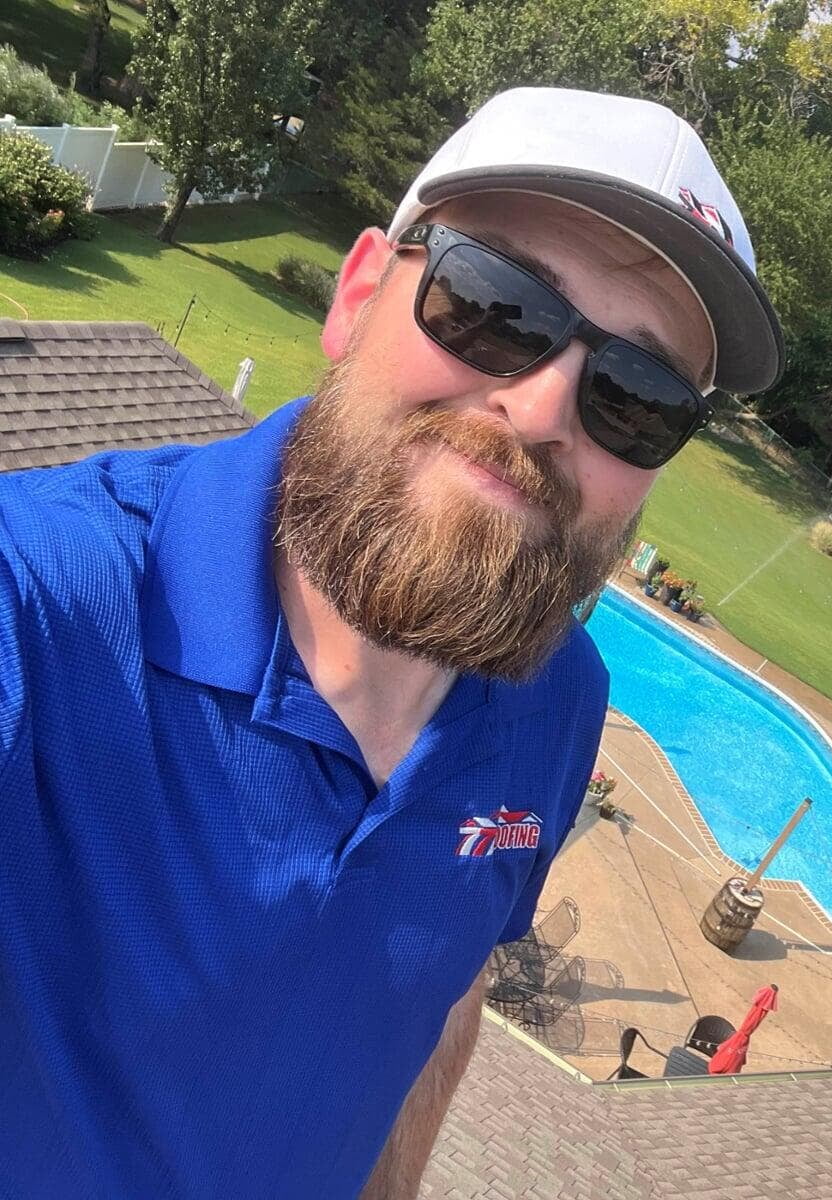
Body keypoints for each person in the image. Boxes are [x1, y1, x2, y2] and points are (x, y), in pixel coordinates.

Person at [0, 87, 782, 1199]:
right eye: (496, 304)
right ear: (360, 293)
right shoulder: (40, 599)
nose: (543, 408)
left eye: (636, 395)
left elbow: (445, 988)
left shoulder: (559, 701)